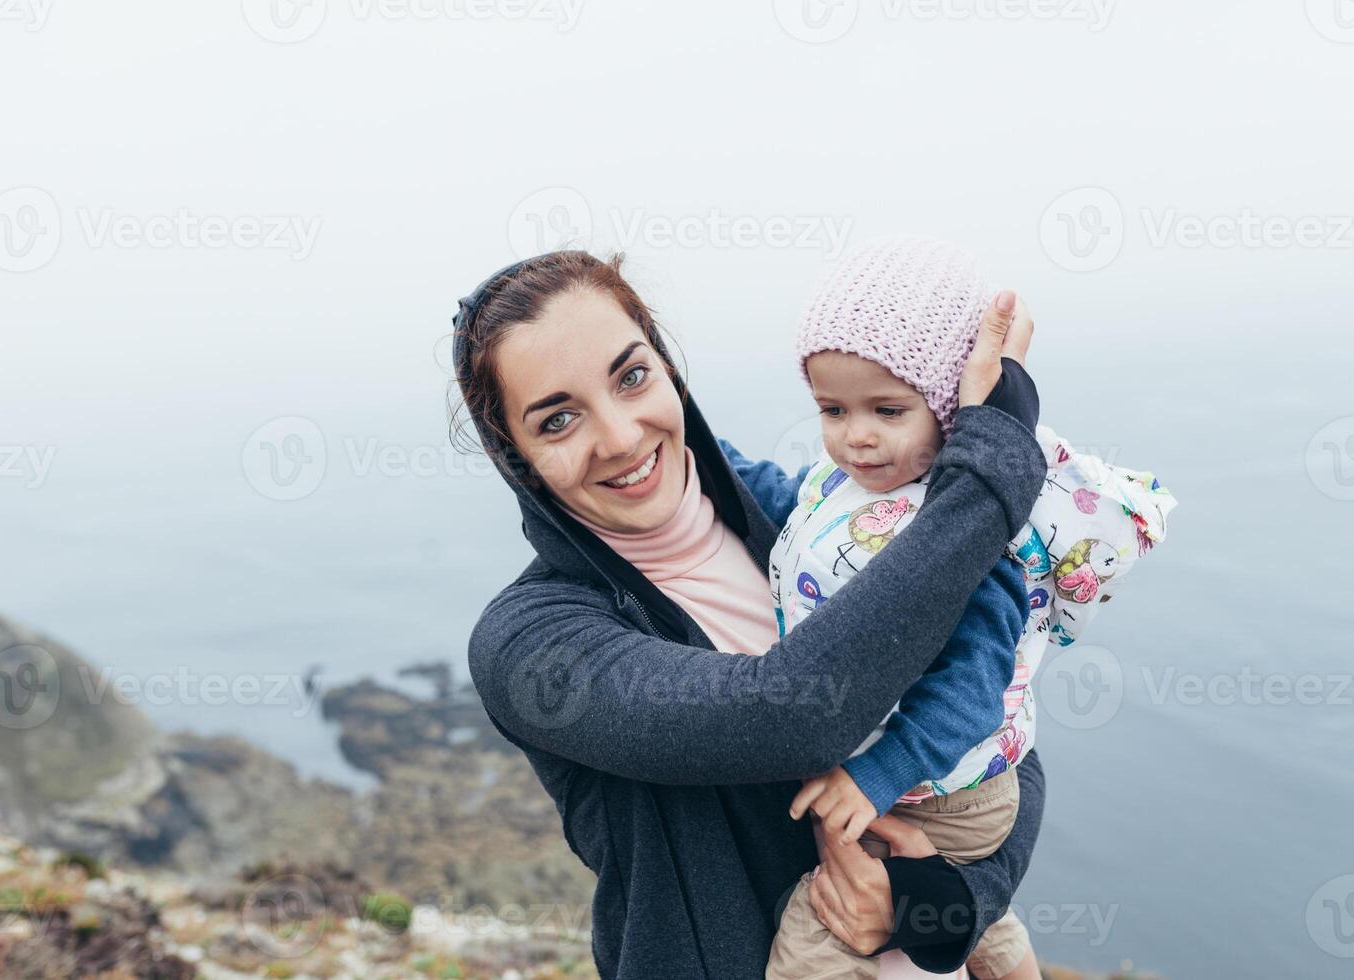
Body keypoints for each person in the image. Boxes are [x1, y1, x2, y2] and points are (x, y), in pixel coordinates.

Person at [451, 249, 1046, 979]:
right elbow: (789, 715)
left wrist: (932, 905)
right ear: (517, 459)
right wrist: (990, 471)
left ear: (669, 369)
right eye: (558, 419)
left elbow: (1001, 733)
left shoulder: (804, 518)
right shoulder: (532, 646)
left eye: (631, 376)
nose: (621, 436)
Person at [766, 237, 1177, 979]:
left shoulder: (965, 535)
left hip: (935, 791)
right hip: (953, 789)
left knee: (812, 942)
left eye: (888, 409)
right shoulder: (861, 488)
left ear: (953, 406)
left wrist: (876, 775)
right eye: (832, 408)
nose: (856, 436)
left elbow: (973, 686)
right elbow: (793, 509)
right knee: (986, 923)